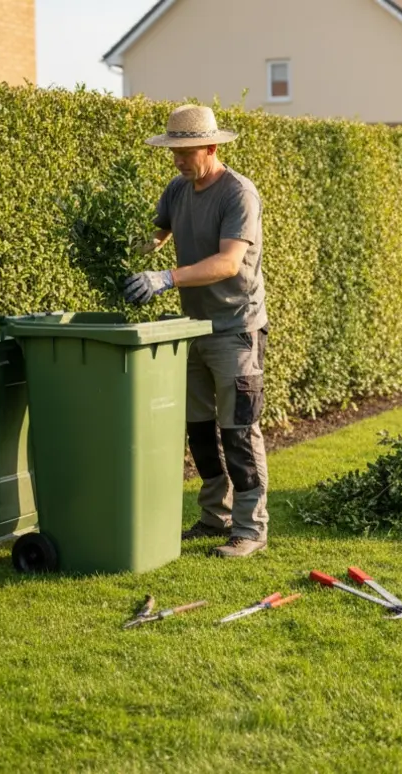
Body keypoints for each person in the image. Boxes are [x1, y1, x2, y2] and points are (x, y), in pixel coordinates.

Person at [124, 105, 269, 559]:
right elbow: (157, 235)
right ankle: (214, 518)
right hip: (194, 329)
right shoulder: (177, 189)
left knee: (239, 431)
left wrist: (165, 278)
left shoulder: (237, 194)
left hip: (236, 328)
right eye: (174, 152)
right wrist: (127, 245)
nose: (178, 160)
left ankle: (249, 530)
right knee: (200, 431)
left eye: (186, 152)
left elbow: (228, 262)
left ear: (211, 147)